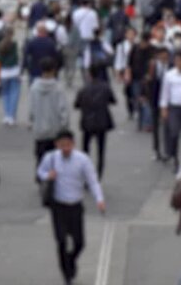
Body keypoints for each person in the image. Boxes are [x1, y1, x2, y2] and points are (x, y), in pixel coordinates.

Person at [37, 130, 106, 285]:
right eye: (62, 146)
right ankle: (66, 274)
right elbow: (40, 172)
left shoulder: (82, 160)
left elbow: (92, 180)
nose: (65, 149)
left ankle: (71, 259)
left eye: (68, 145)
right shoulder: (51, 158)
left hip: (75, 205)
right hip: (58, 205)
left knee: (80, 242)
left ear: (73, 145)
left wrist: (99, 199)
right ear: (57, 145)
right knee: (61, 240)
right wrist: (48, 175)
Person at [29, 57, 69, 180]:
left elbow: (32, 109)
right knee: (54, 157)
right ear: (54, 70)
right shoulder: (58, 88)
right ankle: (53, 178)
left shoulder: (34, 87)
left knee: (40, 155)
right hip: (55, 129)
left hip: (40, 128)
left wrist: (32, 120)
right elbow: (63, 109)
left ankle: (40, 175)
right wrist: (64, 125)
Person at [74, 65, 116, 180]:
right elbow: (113, 100)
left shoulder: (83, 89)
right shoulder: (105, 87)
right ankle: (98, 175)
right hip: (102, 121)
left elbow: (76, 105)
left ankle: (86, 174)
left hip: (87, 121)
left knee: (85, 149)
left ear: (89, 74)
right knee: (101, 150)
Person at [128, 33, 157, 131]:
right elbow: (129, 62)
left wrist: (150, 75)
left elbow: (154, 64)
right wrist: (128, 74)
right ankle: (141, 120)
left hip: (147, 79)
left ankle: (147, 122)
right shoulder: (135, 48)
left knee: (146, 100)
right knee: (138, 99)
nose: (143, 44)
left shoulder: (152, 50)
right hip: (136, 78)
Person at [0, 27, 21, 125]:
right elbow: (16, 58)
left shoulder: (0, 45)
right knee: (14, 94)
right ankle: (11, 115)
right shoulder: (14, 44)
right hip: (14, 71)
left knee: (5, 94)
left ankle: (6, 115)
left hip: (3, 72)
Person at [23, 21, 60, 85]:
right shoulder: (51, 43)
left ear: (37, 31)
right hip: (48, 73)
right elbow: (57, 58)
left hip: (34, 72)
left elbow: (26, 56)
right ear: (46, 31)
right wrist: (56, 70)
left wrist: (26, 68)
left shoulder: (32, 42)